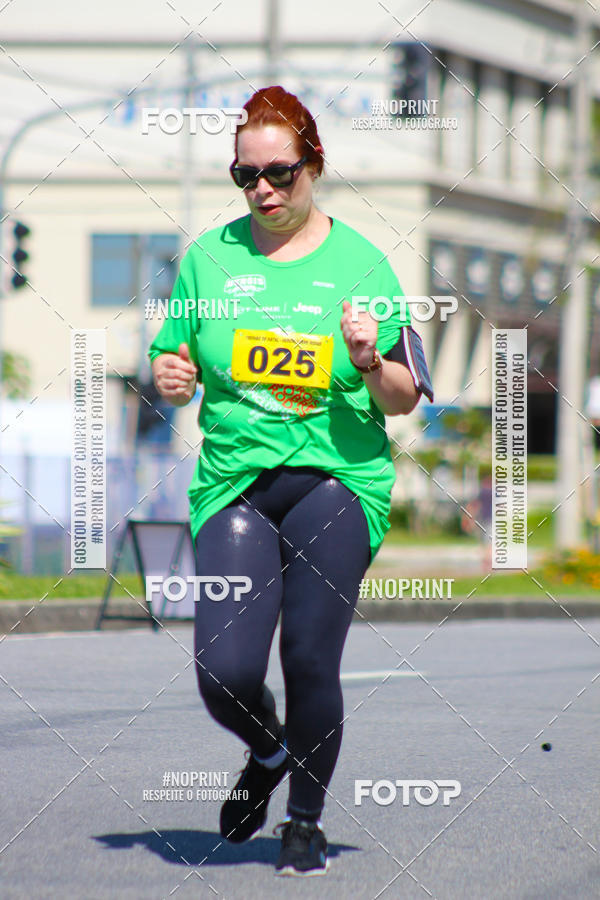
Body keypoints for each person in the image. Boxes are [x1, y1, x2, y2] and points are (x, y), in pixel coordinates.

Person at [149, 85, 426, 877]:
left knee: (308, 659)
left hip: (336, 482)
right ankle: (267, 752)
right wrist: (171, 377)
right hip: (234, 483)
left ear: (314, 166)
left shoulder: (361, 263)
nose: (263, 190)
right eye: (246, 176)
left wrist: (371, 358)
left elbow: (403, 398)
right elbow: (177, 364)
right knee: (226, 672)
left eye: (279, 173)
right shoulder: (209, 259)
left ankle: (303, 819)